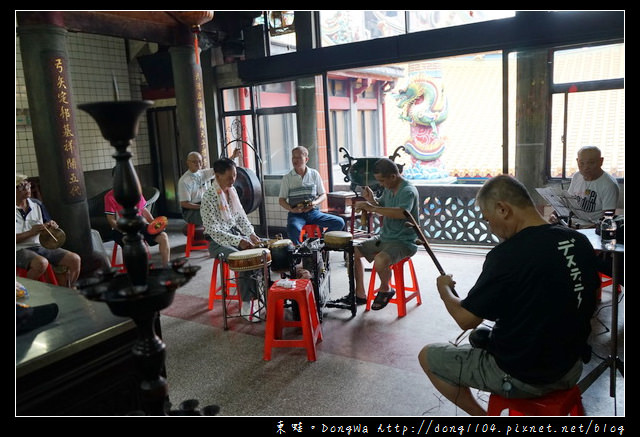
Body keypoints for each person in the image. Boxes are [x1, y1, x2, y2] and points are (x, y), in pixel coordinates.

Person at [418, 175, 599, 416]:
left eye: (487, 218)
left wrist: (444, 290)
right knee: (482, 336)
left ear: (503, 209)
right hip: (571, 366)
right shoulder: (579, 240)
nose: (490, 227)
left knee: (428, 356)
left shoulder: (507, 255)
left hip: (525, 375)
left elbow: (466, 320)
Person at [349, 158, 419, 308]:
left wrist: (372, 208)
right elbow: (380, 206)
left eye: (382, 181)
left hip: (404, 241)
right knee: (351, 252)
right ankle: (360, 293)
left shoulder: (408, 191)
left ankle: (386, 289)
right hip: (385, 237)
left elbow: (402, 213)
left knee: (380, 260)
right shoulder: (389, 188)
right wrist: (371, 200)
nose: (380, 184)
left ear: (393, 176)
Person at [201, 158, 264, 322]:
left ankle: (258, 298)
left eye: (235, 175)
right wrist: (239, 241)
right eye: (229, 177)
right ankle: (246, 304)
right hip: (217, 242)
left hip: (234, 235)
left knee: (260, 251)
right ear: (217, 175)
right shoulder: (208, 197)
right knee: (243, 260)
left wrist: (251, 234)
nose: (233, 180)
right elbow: (214, 231)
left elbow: (241, 217)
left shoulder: (232, 191)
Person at [15, 174, 81, 286]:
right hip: (18, 249)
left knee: (74, 259)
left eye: (27, 185)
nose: (27, 189)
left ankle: (67, 290)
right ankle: (27, 292)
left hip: (38, 246)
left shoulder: (37, 204)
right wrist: (31, 232)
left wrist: (51, 225)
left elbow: (47, 222)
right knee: (41, 263)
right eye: (21, 187)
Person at [279, 146, 345, 243]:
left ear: (306, 159)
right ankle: (300, 251)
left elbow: (323, 195)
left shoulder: (314, 174)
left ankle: (321, 243)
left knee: (339, 222)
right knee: (292, 227)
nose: (295, 160)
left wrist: (314, 203)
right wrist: (292, 209)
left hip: (313, 213)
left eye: (299, 158)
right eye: (293, 157)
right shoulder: (287, 178)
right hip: (296, 214)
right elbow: (281, 200)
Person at [104, 187, 170, 268]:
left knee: (163, 237)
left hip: (140, 226)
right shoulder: (109, 196)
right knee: (133, 244)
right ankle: (137, 271)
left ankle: (166, 267)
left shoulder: (136, 192)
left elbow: (144, 211)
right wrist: (125, 230)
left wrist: (155, 225)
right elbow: (111, 220)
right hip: (121, 229)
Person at [178, 149, 241, 226]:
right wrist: (204, 206)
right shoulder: (184, 181)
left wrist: (233, 157)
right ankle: (215, 236)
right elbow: (184, 204)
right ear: (188, 163)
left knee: (227, 210)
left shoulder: (203, 173)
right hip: (191, 211)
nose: (198, 164)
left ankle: (230, 234)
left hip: (206, 204)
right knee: (218, 216)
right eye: (194, 162)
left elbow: (221, 169)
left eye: (200, 161)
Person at [562, 146, 620, 228]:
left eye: (591, 163)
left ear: (601, 161)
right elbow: (568, 201)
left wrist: (583, 228)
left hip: (593, 228)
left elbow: (607, 220)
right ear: (577, 161)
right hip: (574, 223)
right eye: (581, 163)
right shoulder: (577, 176)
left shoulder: (609, 185)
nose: (586, 167)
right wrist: (555, 214)